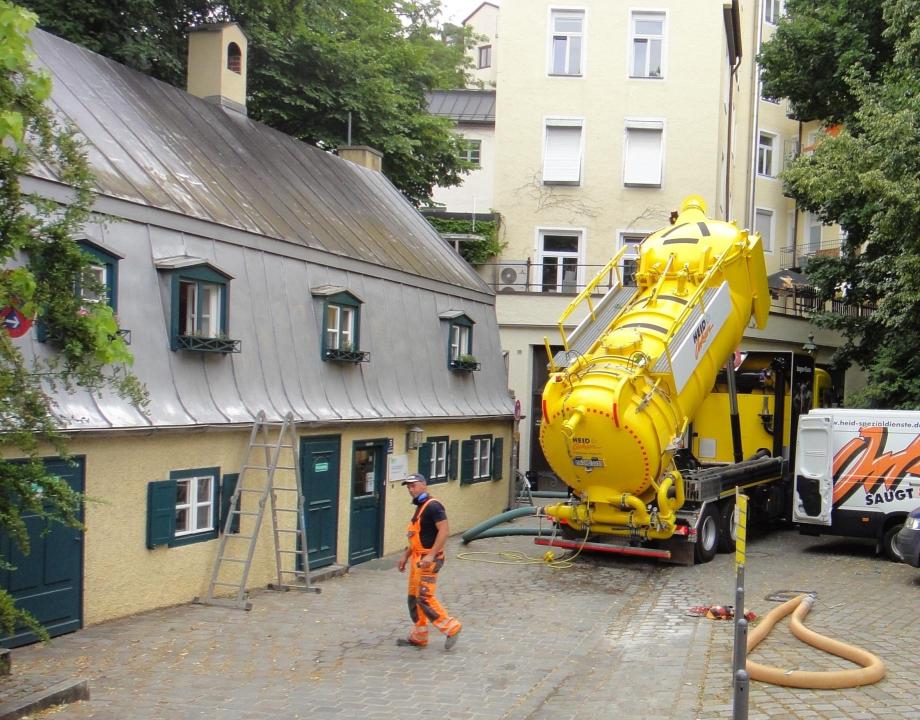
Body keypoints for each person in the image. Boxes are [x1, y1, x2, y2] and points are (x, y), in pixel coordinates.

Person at [396, 473, 462, 649]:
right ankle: (420, 635)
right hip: (418, 558)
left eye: (414, 485)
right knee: (413, 597)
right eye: (409, 487)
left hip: (429, 559)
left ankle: (452, 628)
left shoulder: (433, 506)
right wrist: (406, 555)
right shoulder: (421, 507)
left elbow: (444, 531)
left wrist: (431, 555)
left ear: (424, 485)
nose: (411, 489)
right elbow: (418, 536)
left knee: (424, 597)